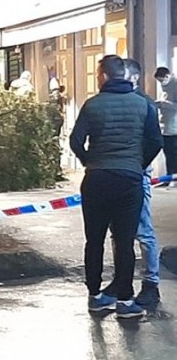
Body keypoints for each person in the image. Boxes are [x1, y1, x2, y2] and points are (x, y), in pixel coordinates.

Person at [69, 55, 162, 319]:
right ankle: (125, 301)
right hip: (129, 181)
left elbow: (75, 141)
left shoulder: (92, 105)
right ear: (124, 75)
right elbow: (155, 142)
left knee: (94, 240)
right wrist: (135, 162)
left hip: (96, 179)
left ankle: (95, 296)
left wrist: (91, 161)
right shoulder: (143, 105)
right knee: (124, 242)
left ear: (104, 76)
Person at [101, 59, 161, 307]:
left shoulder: (143, 103)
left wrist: (140, 166)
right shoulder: (118, 101)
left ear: (134, 77)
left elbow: (153, 140)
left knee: (142, 229)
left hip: (135, 174)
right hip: (121, 172)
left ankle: (151, 283)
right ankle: (121, 280)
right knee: (119, 231)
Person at [154, 67, 177, 187]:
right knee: (168, 153)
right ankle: (168, 177)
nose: (161, 83)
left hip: (174, 126)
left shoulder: (175, 85)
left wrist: (164, 104)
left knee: (174, 154)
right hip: (165, 125)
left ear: (168, 76)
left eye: (162, 80)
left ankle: (174, 178)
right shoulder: (164, 87)